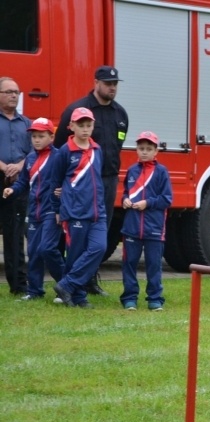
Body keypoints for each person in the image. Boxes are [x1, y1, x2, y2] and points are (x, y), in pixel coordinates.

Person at [54, 65, 128, 296]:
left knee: (100, 235)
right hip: (79, 184)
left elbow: (117, 146)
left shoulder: (121, 114)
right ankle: (70, 282)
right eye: (108, 83)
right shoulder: (78, 110)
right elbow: (59, 149)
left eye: (115, 83)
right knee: (77, 236)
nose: (112, 87)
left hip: (107, 182)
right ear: (96, 82)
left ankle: (89, 281)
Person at [2, 118, 65, 300]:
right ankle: (35, 291)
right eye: (34, 136)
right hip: (34, 211)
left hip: (51, 211)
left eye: (41, 136)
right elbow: (23, 182)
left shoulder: (58, 156)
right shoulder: (30, 158)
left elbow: (67, 179)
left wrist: (63, 196)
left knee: (47, 248)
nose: (36, 140)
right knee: (34, 252)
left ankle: (66, 285)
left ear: (51, 137)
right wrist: (12, 189)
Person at [51, 107, 107, 308]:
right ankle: (78, 297)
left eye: (88, 125)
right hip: (74, 212)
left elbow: (97, 179)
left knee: (99, 247)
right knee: (74, 254)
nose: (85, 129)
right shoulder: (65, 151)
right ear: (71, 126)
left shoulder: (97, 150)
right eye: (80, 125)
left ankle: (67, 284)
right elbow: (56, 182)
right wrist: (58, 209)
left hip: (97, 211)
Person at [119, 131, 172, 311]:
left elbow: (167, 199)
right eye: (141, 148)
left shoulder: (161, 172)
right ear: (136, 149)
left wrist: (147, 203)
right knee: (129, 263)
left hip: (154, 228)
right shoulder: (132, 171)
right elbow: (126, 192)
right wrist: (124, 200)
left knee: (153, 265)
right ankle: (129, 298)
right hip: (132, 227)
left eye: (149, 149)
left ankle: (155, 299)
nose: (144, 152)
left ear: (156, 151)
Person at [0, 76, 31, 294]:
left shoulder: (27, 124)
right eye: (9, 91)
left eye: (16, 92)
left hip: (17, 184)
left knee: (15, 235)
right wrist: (3, 166)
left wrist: (20, 166)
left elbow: (34, 152)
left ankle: (18, 287)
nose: (13, 95)